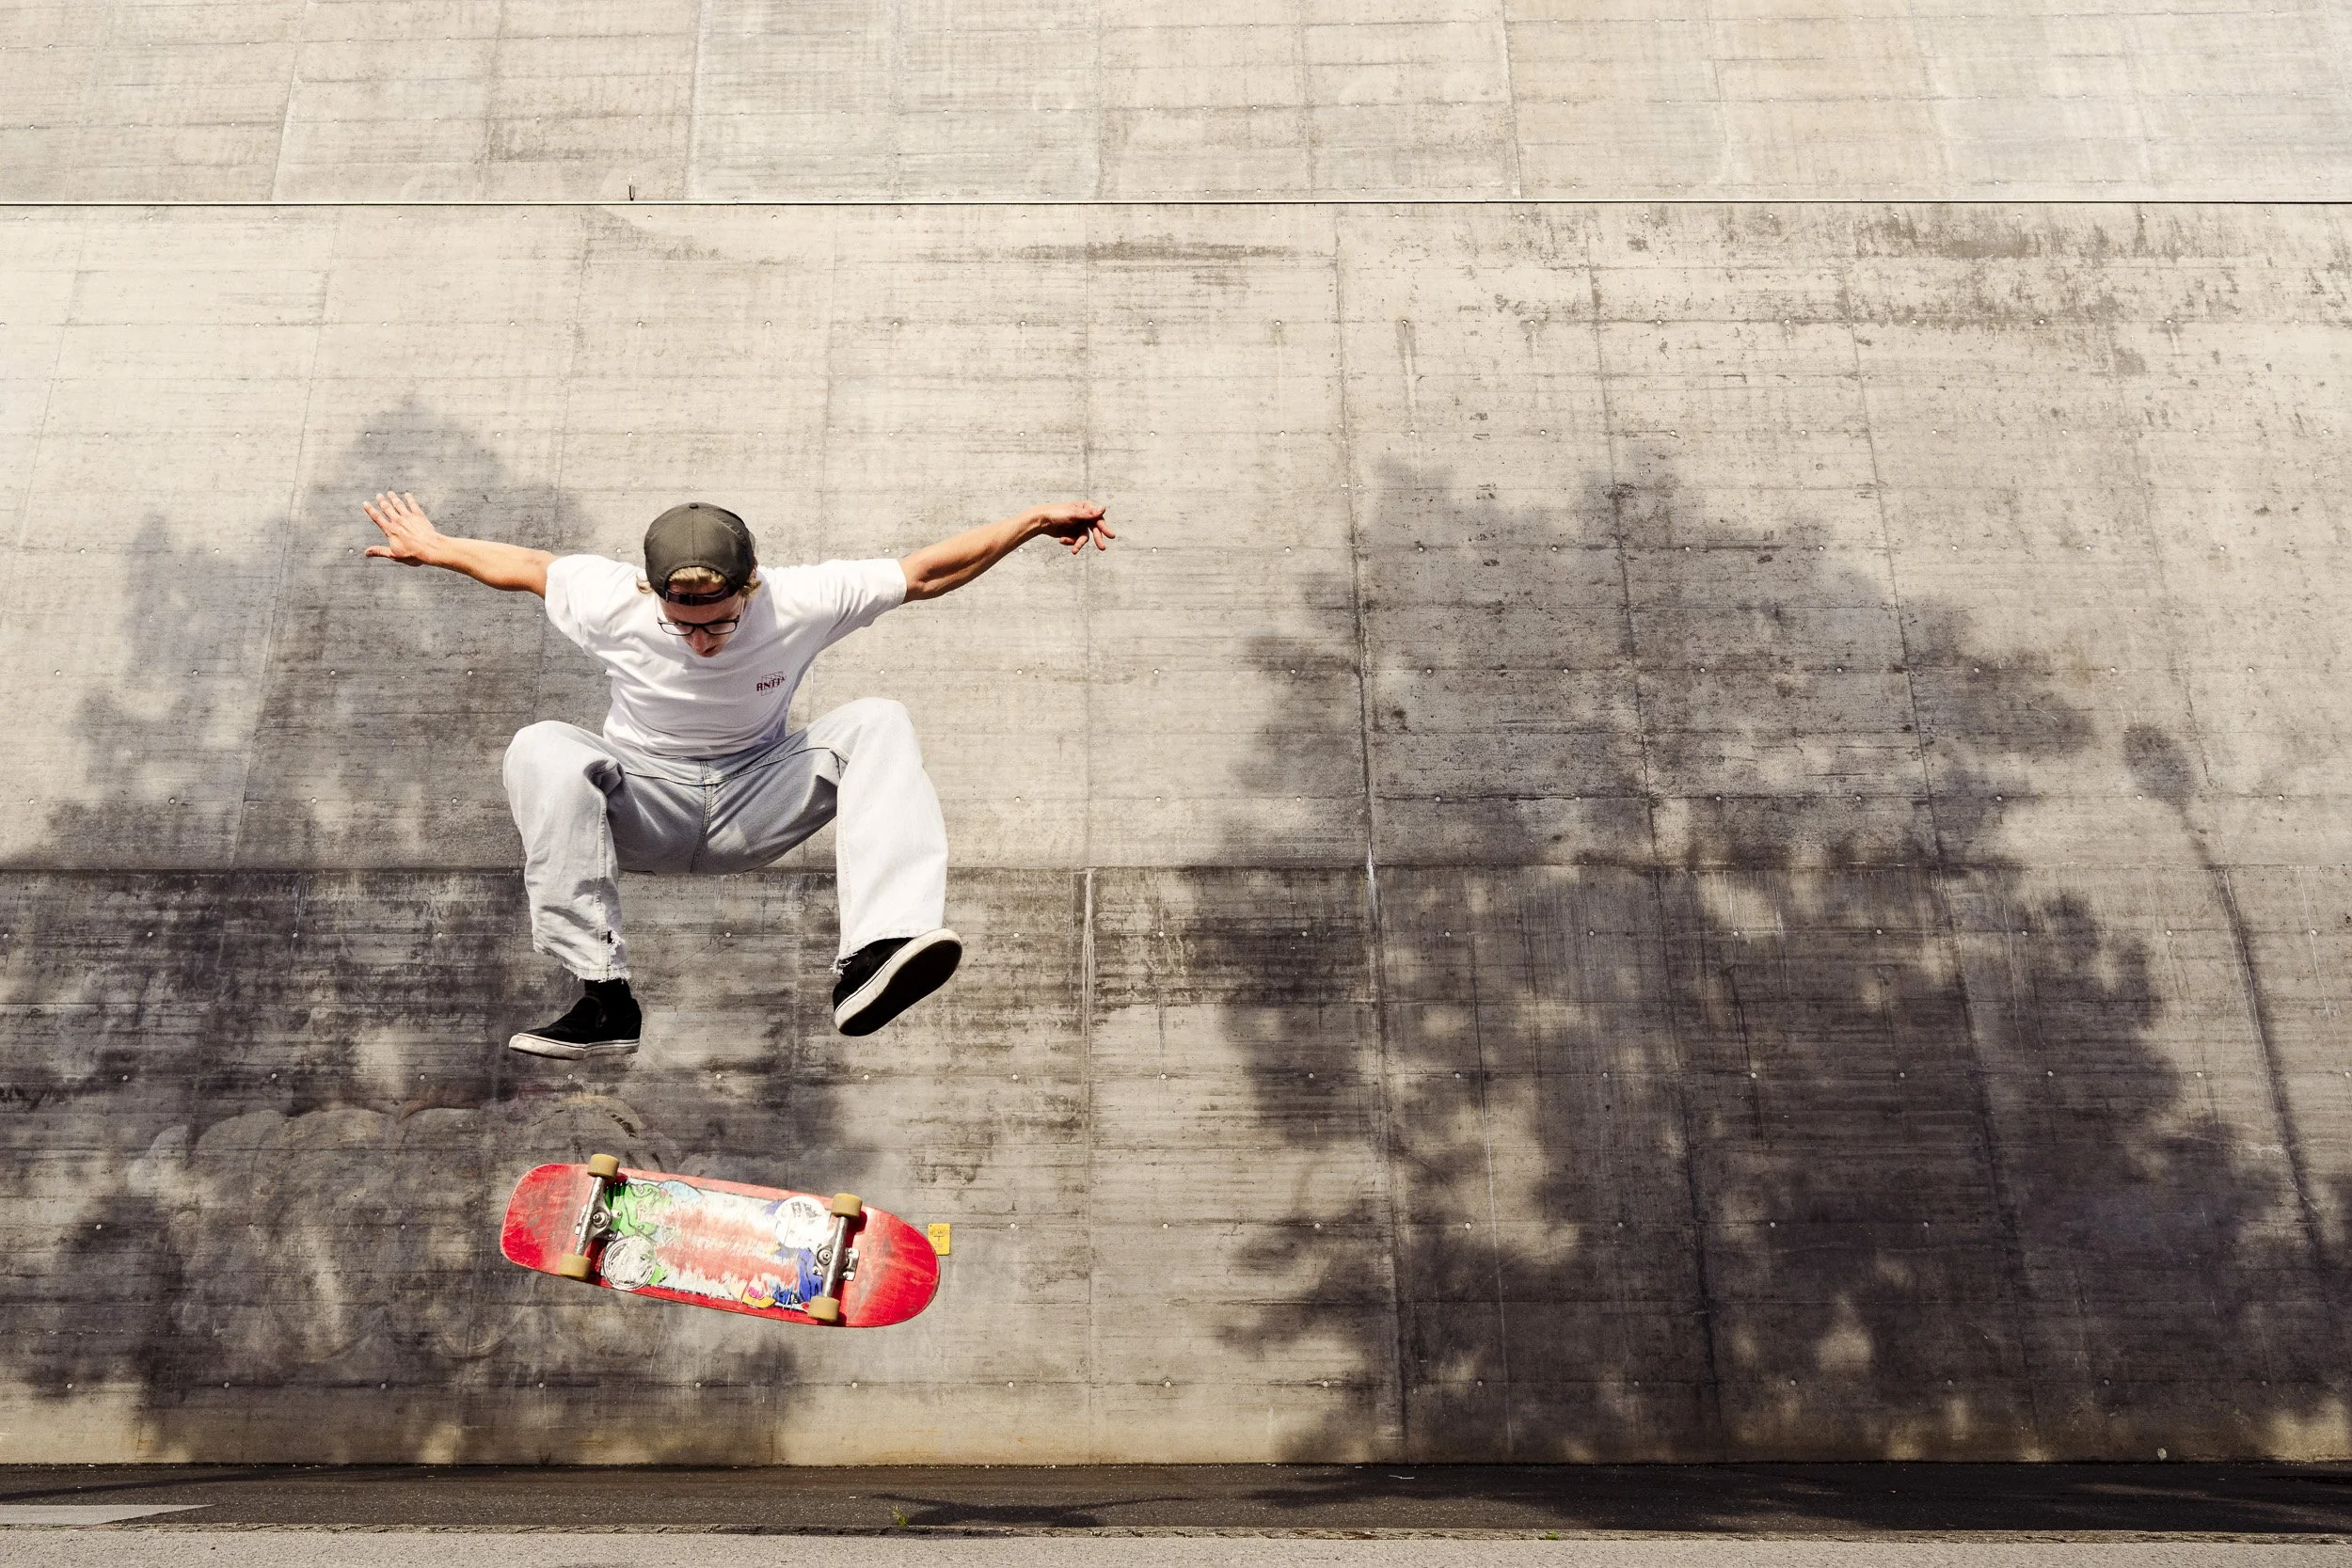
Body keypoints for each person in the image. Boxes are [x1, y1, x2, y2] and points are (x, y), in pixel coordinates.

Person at [360, 492, 1114, 1058]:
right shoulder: (608, 597)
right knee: (540, 745)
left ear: (750, 588)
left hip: (757, 798)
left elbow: (923, 573)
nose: (700, 641)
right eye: (681, 623)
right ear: (651, 593)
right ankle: (603, 994)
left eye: (718, 622)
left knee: (878, 719)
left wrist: (1028, 524)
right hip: (642, 803)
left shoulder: (801, 599)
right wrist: (437, 546)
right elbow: (526, 568)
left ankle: (876, 953)